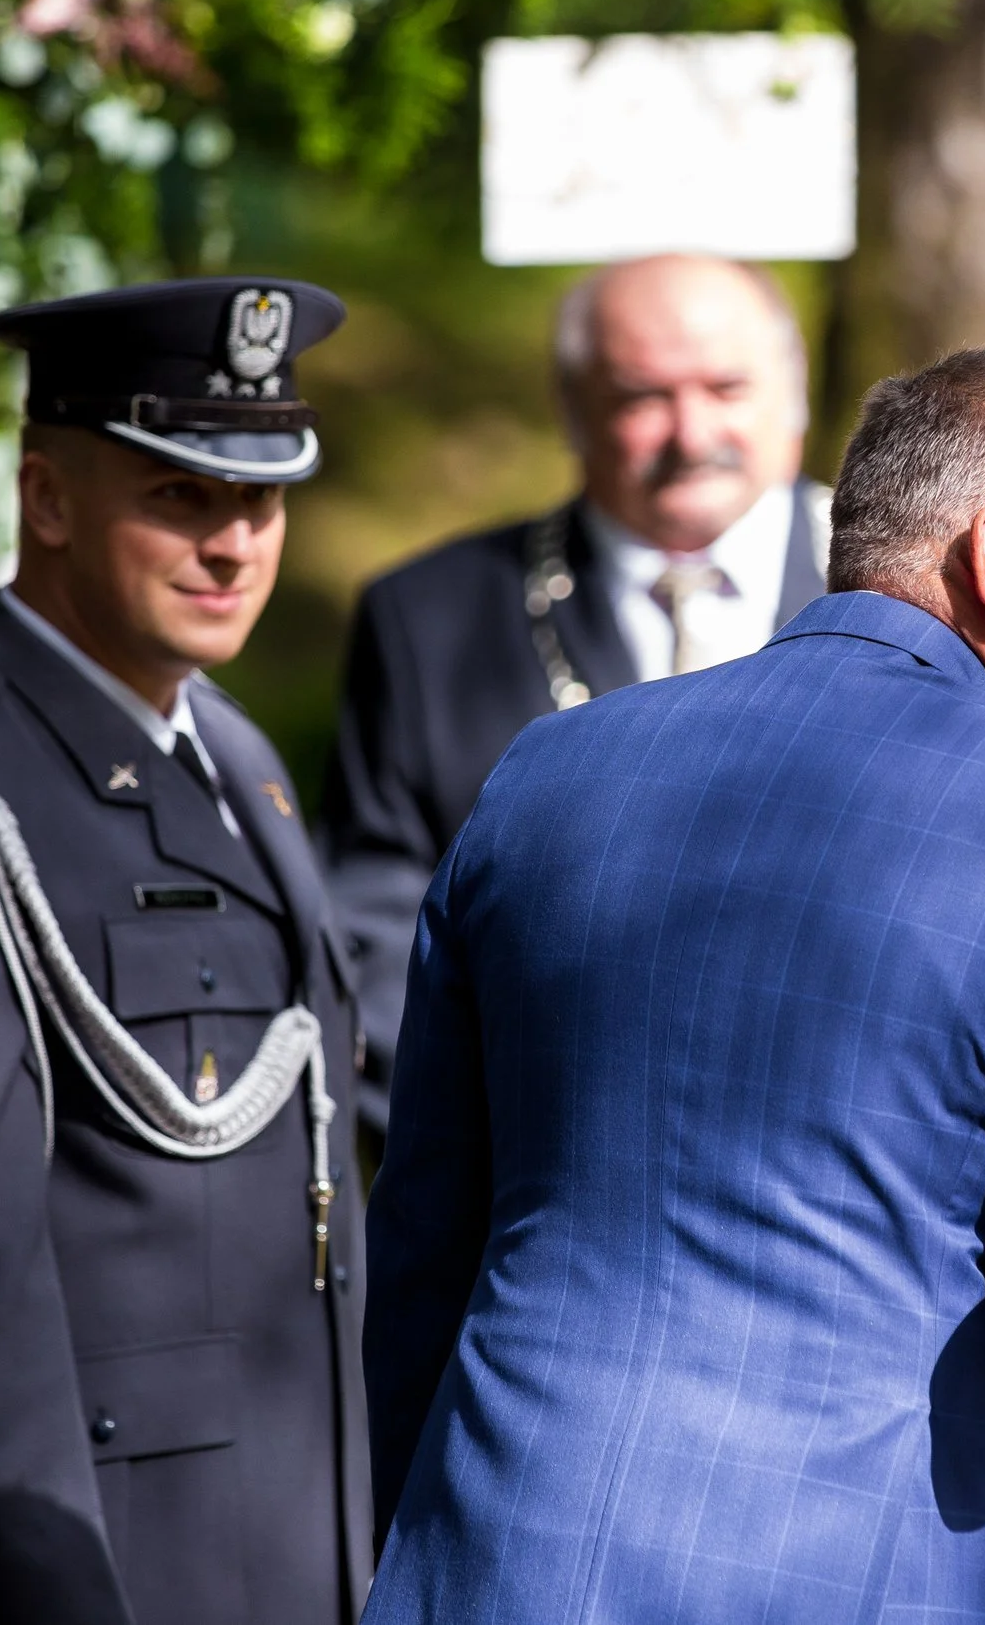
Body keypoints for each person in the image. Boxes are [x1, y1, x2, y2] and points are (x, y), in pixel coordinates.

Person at [359, 347, 985, 1623]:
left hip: (495, 1546)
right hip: (855, 1561)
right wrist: (971, 1467)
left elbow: (425, 1239)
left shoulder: (546, 770)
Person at [0, 278, 373, 1625]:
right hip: (98, 1561)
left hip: (292, 1546)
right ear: (46, 499)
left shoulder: (231, 752)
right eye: (179, 495)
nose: (234, 544)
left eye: (262, 500)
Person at [319, 254, 829, 1103]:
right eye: (643, 397)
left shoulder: (912, 591)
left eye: (726, 388)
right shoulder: (430, 620)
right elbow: (375, 928)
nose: (692, 433)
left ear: (795, 396)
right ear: (573, 411)